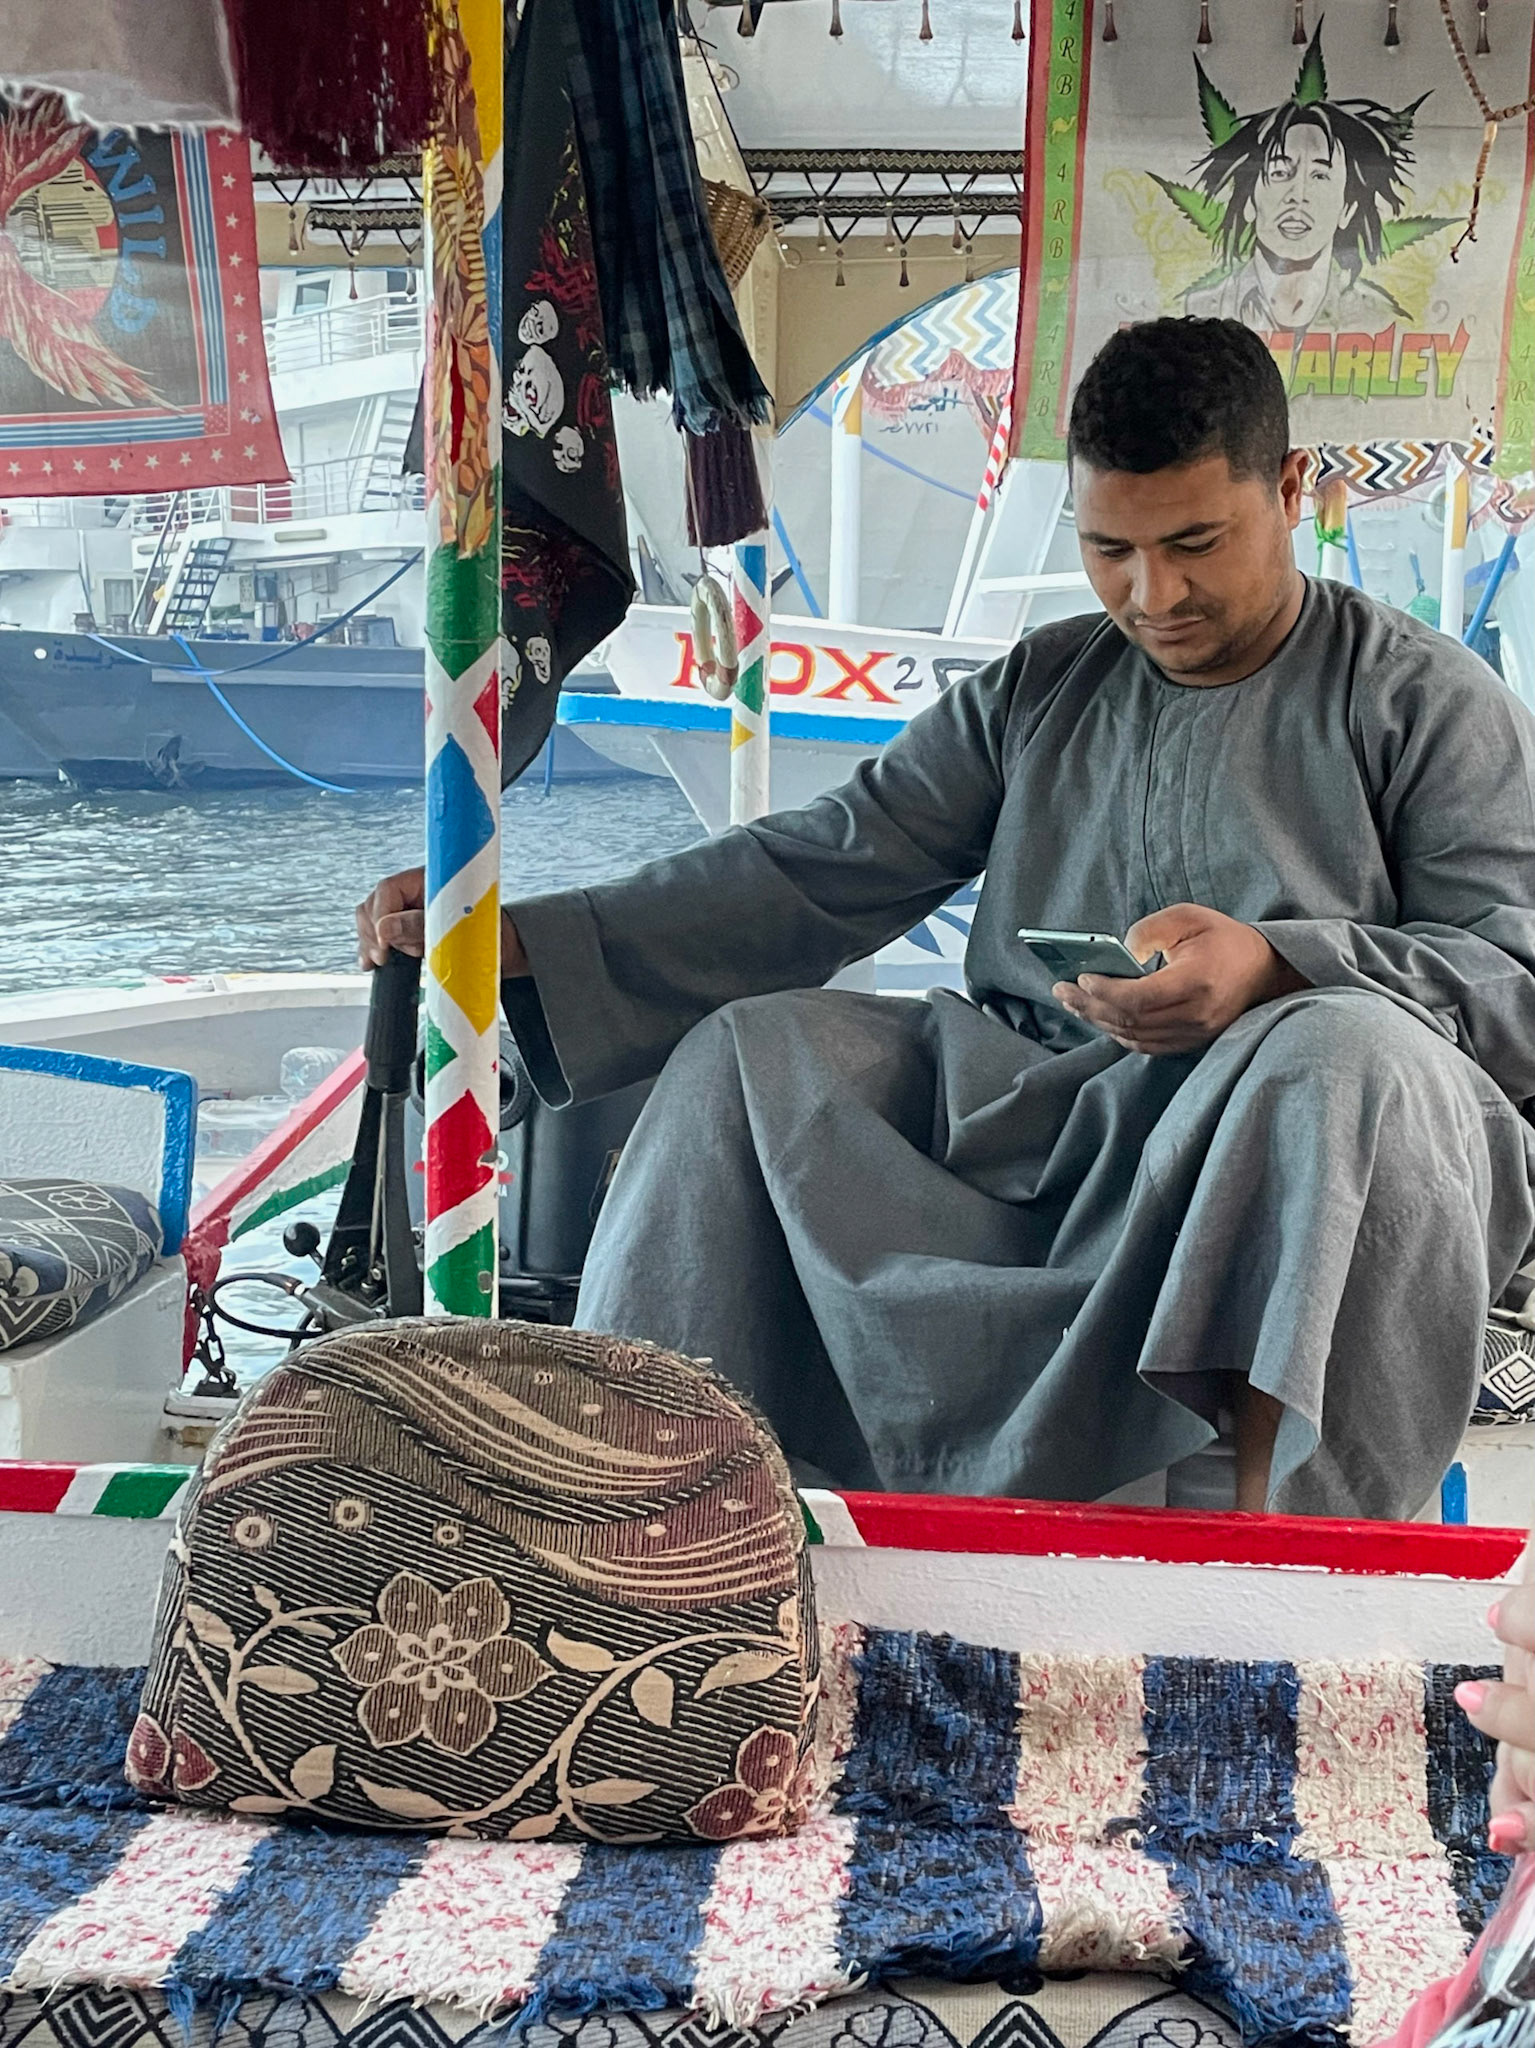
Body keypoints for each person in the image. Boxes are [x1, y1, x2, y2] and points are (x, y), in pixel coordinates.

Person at [359, 316, 1535, 1521]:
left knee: (1337, 1060)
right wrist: (530, 933)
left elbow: (1510, 977)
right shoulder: (1041, 682)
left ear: (1288, 491)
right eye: (1108, 549)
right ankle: (645, 1516)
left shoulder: (1425, 700)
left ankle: (1277, 1569)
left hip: (1288, 1133)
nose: (1152, 593)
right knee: (752, 1057)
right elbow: (821, 866)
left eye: (1194, 544)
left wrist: (1278, 969)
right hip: (1035, 1116)